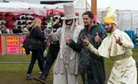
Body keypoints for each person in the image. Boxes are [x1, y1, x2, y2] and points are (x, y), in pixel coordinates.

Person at [82, 7, 137, 84]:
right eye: (105, 25)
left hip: (128, 66)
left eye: (107, 24)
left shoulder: (122, 34)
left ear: (113, 24)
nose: (106, 27)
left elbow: (131, 45)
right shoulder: (107, 39)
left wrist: (121, 43)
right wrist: (89, 45)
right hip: (116, 67)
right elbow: (99, 53)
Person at [43, 3, 83, 84]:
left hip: (73, 59)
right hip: (61, 59)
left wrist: (71, 43)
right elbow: (54, 37)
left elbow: (80, 46)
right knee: (59, 79)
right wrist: (49, 31)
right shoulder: (61, 30)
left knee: (72, 80)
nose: (68, 21)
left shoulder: (79, 30)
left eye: (70, 19)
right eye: (66, 19)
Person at [66, 11, 107, 84]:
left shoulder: (100, 30)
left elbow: (106, 47)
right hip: (84, 66)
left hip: (96, 65)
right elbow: (79, 48)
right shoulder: (82, 32)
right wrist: (71, 43)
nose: (84, 21)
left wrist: (99, 41)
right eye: (83, 19)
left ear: (92, 19)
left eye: (86, 19)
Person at [34, 16, 61, 83]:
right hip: (52, 47)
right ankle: (43, 77)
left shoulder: (59, 27)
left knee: (59, 65)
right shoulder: (49, 27)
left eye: (48, 21)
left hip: (58, 48)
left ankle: (60, 79)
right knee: (48, 63)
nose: (47, 23)